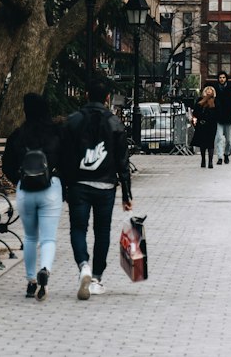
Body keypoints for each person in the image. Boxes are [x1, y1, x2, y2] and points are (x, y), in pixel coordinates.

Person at [61, 77, 133, 300]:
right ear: (107, 98)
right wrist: (127, 193)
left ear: (85, 96)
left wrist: (65, 184)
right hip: (105, 184)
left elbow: (63, 155)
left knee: (78, 228)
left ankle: (84, 265)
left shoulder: (73, 121)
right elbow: (123, 160)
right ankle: (97, 278)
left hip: (79, 184)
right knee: (102, 232)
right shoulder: (114, 123)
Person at [1, 92, 63, 301]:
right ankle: (44, 269)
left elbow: (7, 166)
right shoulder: (56, 133)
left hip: (25, 189)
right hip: (51, 188)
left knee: (29, 237)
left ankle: (30, 281)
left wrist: (18, 181)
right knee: (48, 238)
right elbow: (68, 160)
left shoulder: (18, 135)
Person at [191, 85, 219, 168]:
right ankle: (203, 160)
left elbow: (218, 113)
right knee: (202, 143)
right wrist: (203, 101)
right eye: (208, 90)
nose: (209, 91)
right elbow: (195, 112)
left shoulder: (216, 101)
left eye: (211, 90)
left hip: (211, 125)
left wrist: (212, 107)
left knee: (210, 143)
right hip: (202, 124)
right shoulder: (200, 100)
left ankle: (210, 161)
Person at [214, 71, 231, 164]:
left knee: (229, 140)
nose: (222, 79)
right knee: (219, 138)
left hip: (229, 118)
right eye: (220, 77)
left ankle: (226, 154)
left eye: (223, 77)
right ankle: (220, 157)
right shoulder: (215, 89)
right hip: (219, 118)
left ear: (226, 79)